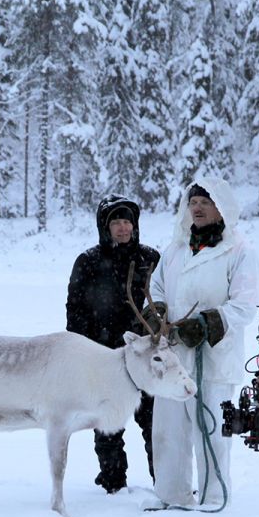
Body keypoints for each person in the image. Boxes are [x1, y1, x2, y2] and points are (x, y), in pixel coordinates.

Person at [148, 177, 259, 511]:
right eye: (193, 202)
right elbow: (157, 288)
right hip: (174, 354)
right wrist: (157, 313)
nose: (197, 208)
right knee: (169, 429)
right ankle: (172, 495)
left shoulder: (240, 250)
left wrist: (209, 322)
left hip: (212, 356)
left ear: (221, 208)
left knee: (209, 430)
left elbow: (244, 305)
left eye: (205, 202)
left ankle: (213, 498)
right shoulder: (176, 248)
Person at [65, 194, 161, 494]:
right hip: (105, 357)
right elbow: (75, 310)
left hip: (146, 356)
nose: (122, 228)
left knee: (155, 422)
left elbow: (165, 303)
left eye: (127, 221)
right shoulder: (88, 261)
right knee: (108, 424)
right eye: (116, 222)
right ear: (104, 227)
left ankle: (165, 481)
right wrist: (82, 352)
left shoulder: (150, 259)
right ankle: (113, 482)